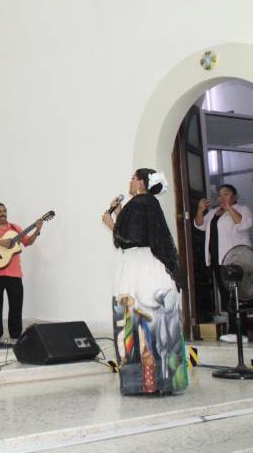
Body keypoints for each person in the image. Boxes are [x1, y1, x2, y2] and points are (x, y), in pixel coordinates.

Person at [102, 168, 189, 396]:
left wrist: (110, 223)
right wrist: (121, 214)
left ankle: (144, 383)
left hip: (140, 270)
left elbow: (131, 239)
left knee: (140, 321)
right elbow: (136, 232)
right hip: (152, 267)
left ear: (141, 183)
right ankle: (165, 381)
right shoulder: (147, 203)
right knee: (158, 326)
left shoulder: (140, 202)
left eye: (133, 178)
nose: (130, 182)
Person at [194, 184, 253, 343]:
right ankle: (234, 331)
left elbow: (243, 224)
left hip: (236, 259)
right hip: (218, 260)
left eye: (226, 194)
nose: (222, 198)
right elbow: (199, 225)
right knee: (227, 296)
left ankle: (240, 332)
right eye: (219, 195)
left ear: (234, 196)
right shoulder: (213, 213)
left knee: (237, 295)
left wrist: (230, 209)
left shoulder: (243, 209)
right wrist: (200, 210)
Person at [0, 203, 42, 342]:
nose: (3, 213)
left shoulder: (15, 228)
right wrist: (1, 242)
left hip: (14, 273)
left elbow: (28, 242)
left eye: (4, 211)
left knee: (16, 305)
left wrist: (37, 230)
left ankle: (15, 334)